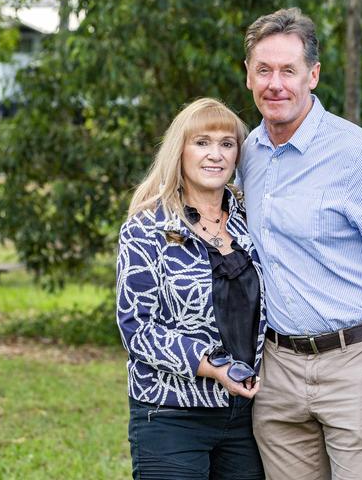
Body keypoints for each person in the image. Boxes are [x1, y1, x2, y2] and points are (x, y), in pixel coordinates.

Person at [236, 8, 362, 480]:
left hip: (355, 366)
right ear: (247, 76)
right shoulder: (243, 155)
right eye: (264, 70)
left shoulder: (360, 155)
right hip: (277, 369)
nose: (275, 83)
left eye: (289, 70)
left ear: (314, 75)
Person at [116, 97, 267, 479]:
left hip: (249, 414)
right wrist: (214, 366)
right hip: (170, 412)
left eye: (226, 144)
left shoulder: (255, 220)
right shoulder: (146, 227)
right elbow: (137, 327)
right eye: (202, 142)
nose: (215, 154)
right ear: (179, 151)